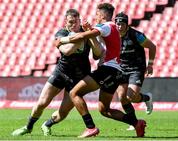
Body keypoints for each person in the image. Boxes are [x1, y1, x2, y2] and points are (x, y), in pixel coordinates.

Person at [57, 3, 146, 138]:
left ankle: (90, 127)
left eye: (97, 14)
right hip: (116, 72)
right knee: (104, 110)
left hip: (107, 70)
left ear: (102, 15)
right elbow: (97, 39)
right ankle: (136, 123)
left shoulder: (106, 26)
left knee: (74, 93)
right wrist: (90, 29)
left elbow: (82, 37)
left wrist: (61, 40)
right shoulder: (112, 28)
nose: (95, 17)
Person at [12, 9, 103, 136]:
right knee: (42, 103)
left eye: (76, 22)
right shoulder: (62, 33)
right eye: (70, 22)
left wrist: (90, 35)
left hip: (78, 78)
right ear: (66, 22)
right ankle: (28, 127)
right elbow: (66, 51)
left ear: (80, 21)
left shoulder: (86, 33)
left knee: (63, 112)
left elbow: (98, 54)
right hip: (61, 73)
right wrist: (81, 38)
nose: (73, 25)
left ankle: (47, 124)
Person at [114, 12, 156, 130]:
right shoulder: (113, 36)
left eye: (122, 24)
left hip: (136, 69)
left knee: (130, 96)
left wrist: (150, 65)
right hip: (121, 69)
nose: (120, 26)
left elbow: (152, 47)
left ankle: (147, 98)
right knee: (122, 96)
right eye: (117, 24)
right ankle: (134, 122)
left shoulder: (136, 35)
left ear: (127, 25)